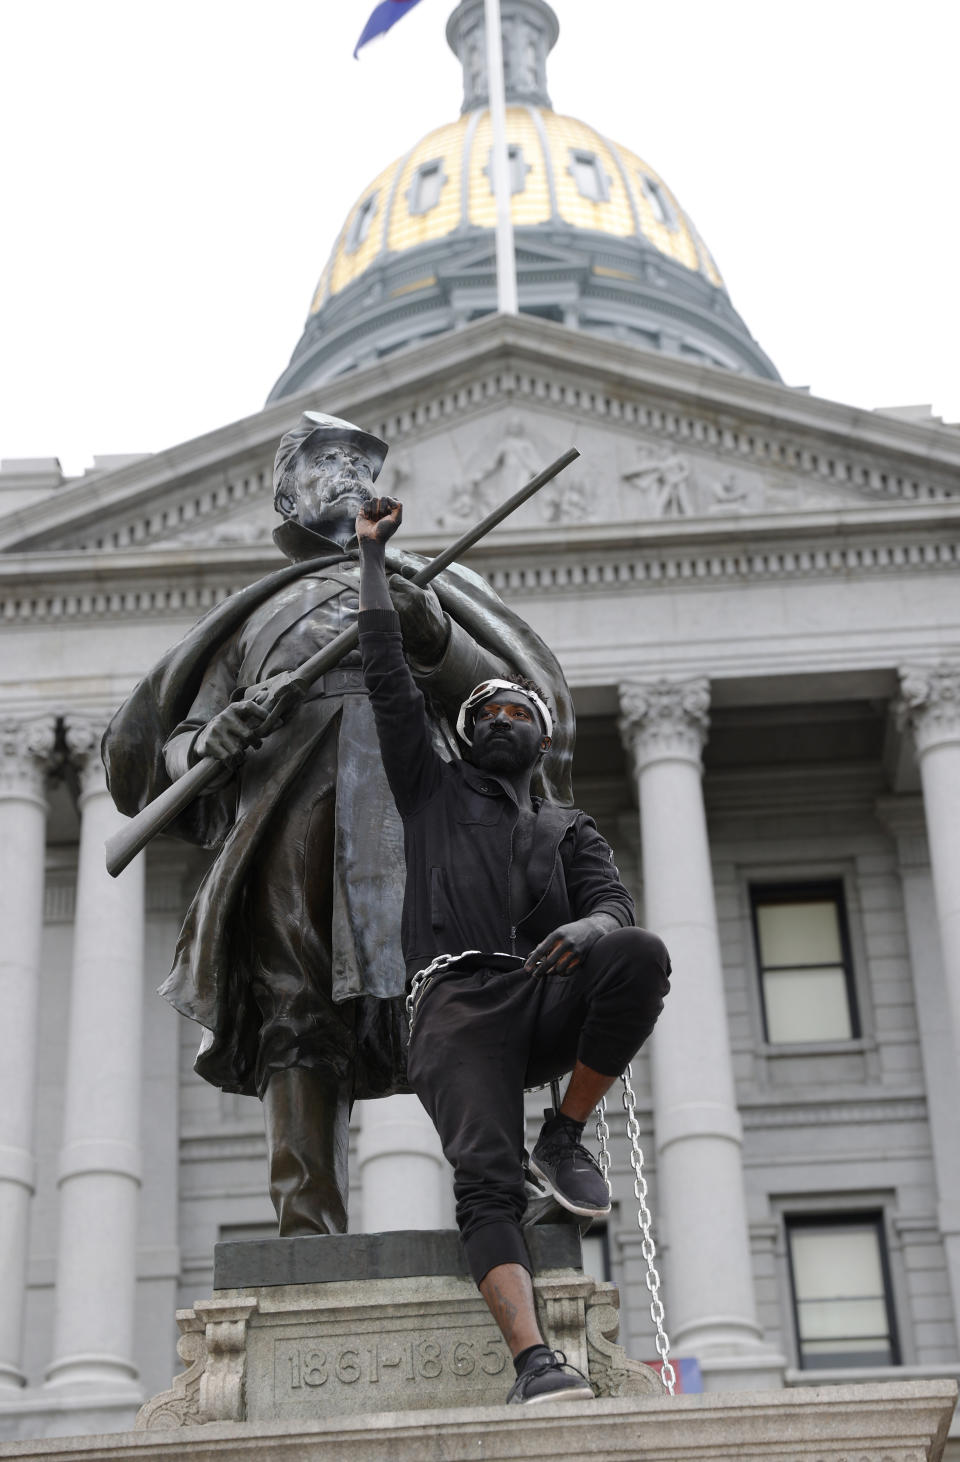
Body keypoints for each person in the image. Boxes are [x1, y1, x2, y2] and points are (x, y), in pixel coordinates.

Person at [103, 412, 575, 1238]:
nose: (351, 469)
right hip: (291, 818)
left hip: (409, 801)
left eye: (363, 457)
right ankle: (305, 1232)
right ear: (287, 491)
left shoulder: (429, 588)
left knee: (452, 990)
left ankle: (505, 1190)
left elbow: (510, 699)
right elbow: (175, 742)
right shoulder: (256, 616)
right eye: (328, 458)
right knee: (296, 1010)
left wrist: (428, 633)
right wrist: (209, 741)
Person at [357, 495, 671, 1405]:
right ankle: (535, 1362)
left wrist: (591, 927)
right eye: (483, 708)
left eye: (515, 707)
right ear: (464, 734)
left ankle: (565, 1131)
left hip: (540, 989)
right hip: (454, 1010)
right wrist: (374, 558)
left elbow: (615, 907)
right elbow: (386, 674)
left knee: (640, 954)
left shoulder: (567, 827)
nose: (498, 715)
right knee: (485, 1183)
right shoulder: (431, 793)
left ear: (541, 735)